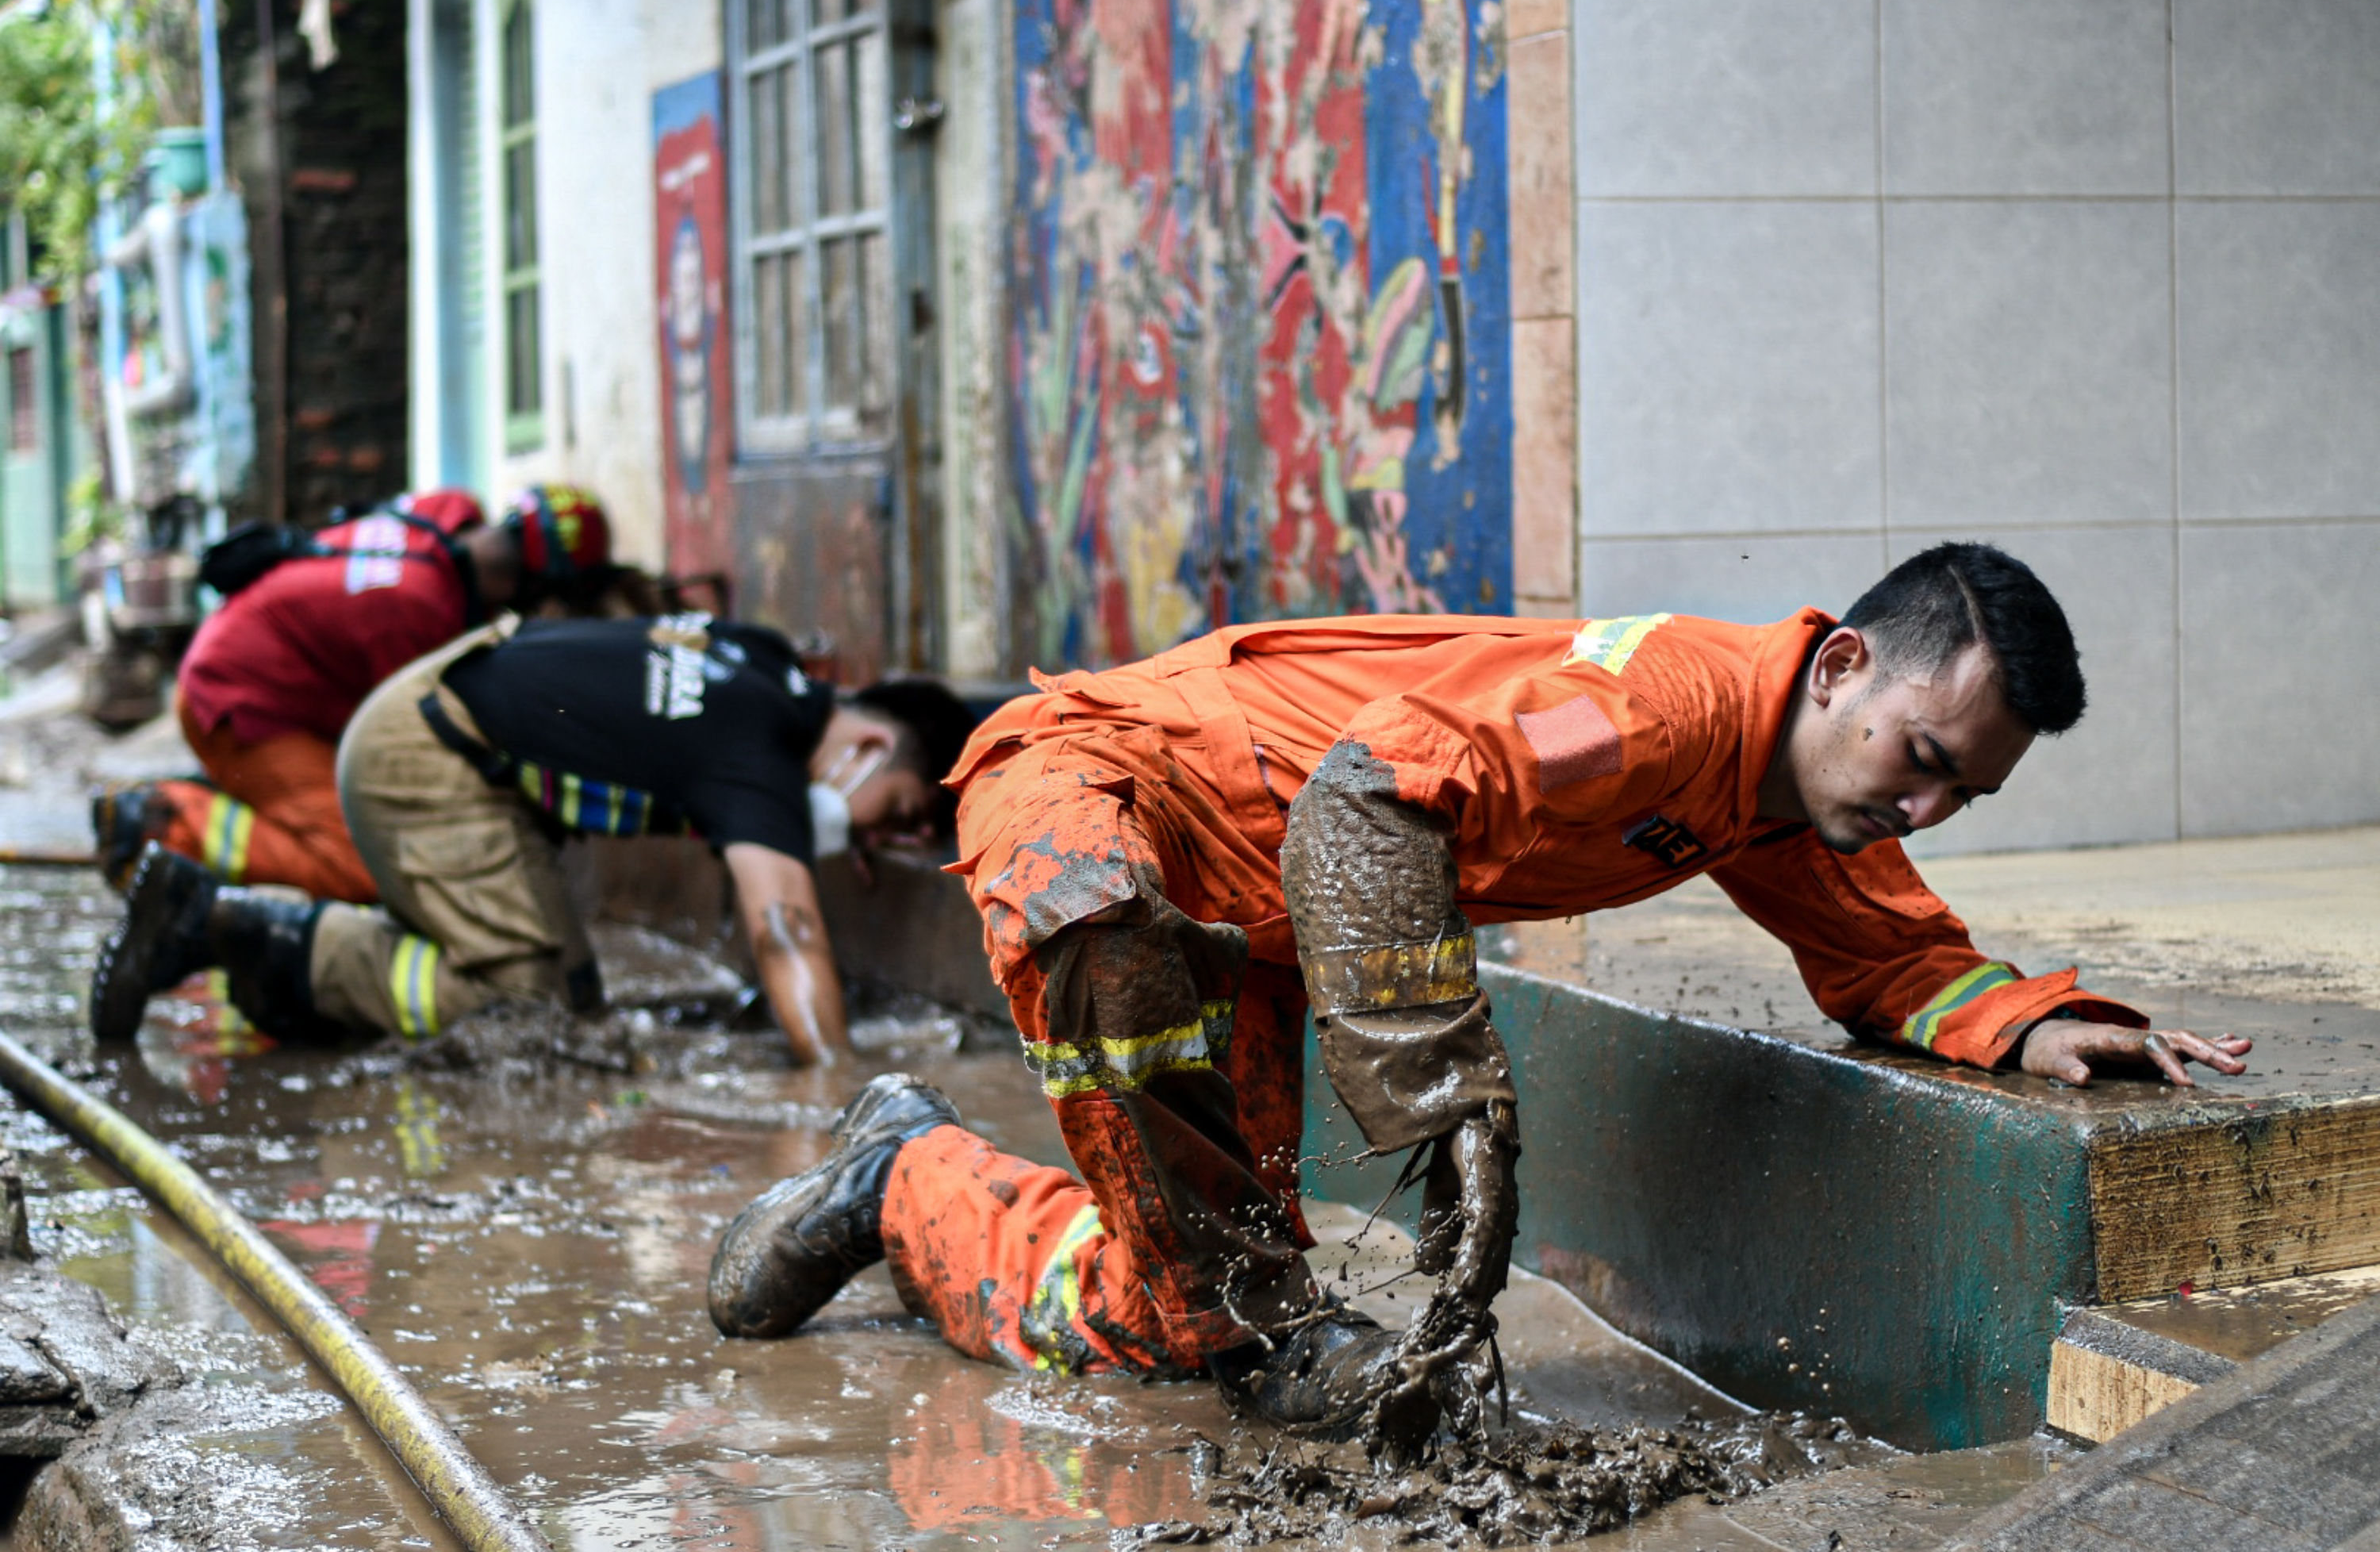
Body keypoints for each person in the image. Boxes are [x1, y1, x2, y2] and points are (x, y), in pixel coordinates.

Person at [703, 544, 2254, 1448]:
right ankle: (908, 1167)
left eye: (1959, 799)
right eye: (1923, 761)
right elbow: (1371, 806)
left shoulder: (1789, 793)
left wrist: (2029, 1020)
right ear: (1842, 664)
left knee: (1206, 1317)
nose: (1923, 812)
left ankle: (899, 1173)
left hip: (1255, 910)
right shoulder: (1663, 709)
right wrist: (1446, 1097)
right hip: (1106, 786)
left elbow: (1895, 951)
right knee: (1099, 927)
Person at [87, 610, 978, 1065]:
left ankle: (283, 977)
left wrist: (848, 828)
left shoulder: (765, 664)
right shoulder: (762, 759)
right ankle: (225, 924)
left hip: (441, 713)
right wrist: (836, 1078)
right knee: (528, 1010)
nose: (888, 838)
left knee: (577, 1019)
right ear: (866, 744)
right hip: (430, 756)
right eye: (899, 812)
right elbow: (786, 929)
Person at [91, 485, 617, 904]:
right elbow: (415, 747)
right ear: (533, 585)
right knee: (360, 866)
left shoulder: (445, 509)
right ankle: (167, 821)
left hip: (241, 661)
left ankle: (239, 799)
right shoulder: (422, 613)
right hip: (240, 701)